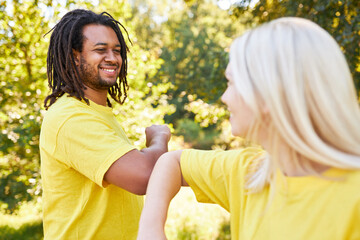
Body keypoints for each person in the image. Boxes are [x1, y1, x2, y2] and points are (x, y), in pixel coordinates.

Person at [137, 17, 360, 240]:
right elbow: (173, 162)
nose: (225, 97)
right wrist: (150, 230)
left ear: (267, 95)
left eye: (231, 83)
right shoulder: (249, 173)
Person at [39, 9, 171, 240]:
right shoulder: (71, 117)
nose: (112, 58)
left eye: (117, 51)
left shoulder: (98, 113)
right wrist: (159, 138)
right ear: (74, 57)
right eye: (100, 50)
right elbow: (144, 176)